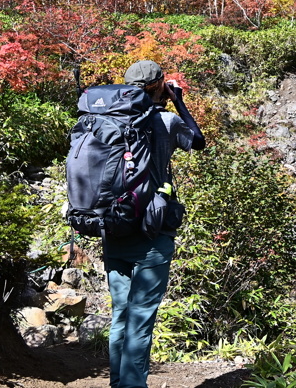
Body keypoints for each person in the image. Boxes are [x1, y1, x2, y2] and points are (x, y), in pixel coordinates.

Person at [104, 59, 205, 388]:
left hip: (114, 228)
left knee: (121, 313)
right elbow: (198, 141)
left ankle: (119, 383)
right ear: (159, 85)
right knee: (141, 317)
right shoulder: (166, 121)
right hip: (152, 233)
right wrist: (178, 100)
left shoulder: (108, 120)